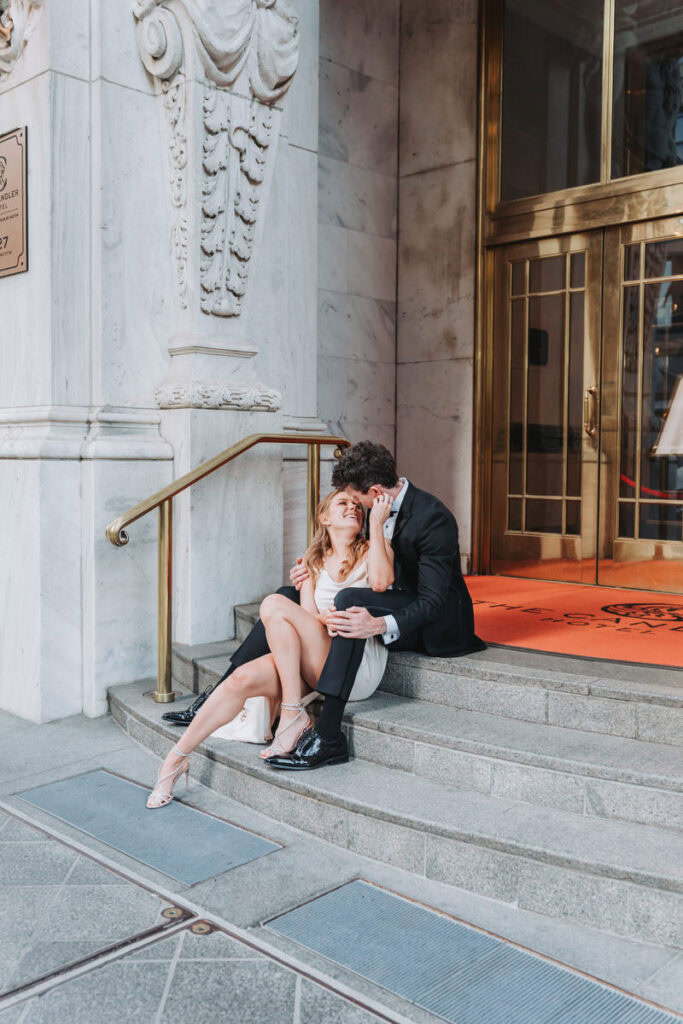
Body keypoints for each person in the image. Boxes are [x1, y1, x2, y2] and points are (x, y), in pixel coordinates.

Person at [146, 488, 394, 808]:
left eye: (357, 506)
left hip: (354, 666)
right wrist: (321, 615)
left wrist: (377, 526)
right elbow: (306, 618)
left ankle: (292, 712)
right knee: (241, 679)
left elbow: (381, 583)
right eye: (342, 503)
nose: (353, 509)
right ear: (324, 518)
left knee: (275, 603)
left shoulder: (376, 546)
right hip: (318, 653)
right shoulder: (314, 562)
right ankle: (174, 760)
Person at [263, 441, 486, 771]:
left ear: (376, 491)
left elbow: (433, 602)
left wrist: (379, 625)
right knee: (287, 593)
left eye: (357, 499)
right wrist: (311, 571)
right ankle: (218, 691)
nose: (355, 506)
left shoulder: (433, 518)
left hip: (434, 622)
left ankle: (329, 737)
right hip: (392, 599)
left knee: (349, 600)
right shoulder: (374, 507)